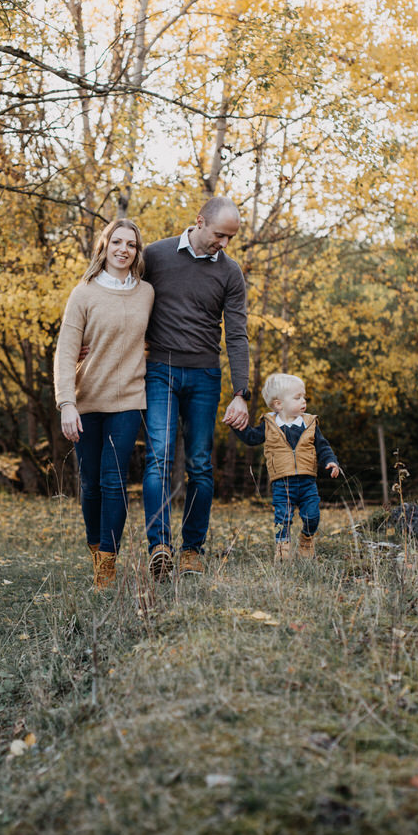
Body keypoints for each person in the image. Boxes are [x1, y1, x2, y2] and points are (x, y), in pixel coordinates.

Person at [142, 196, 250, 580]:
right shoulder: (155, 255)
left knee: (201, 466)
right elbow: (124, 296)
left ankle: (191, 550)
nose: (224, 243)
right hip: (159, 371)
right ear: (200, 221)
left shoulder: (230, 272)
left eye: (230, 237)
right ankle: (159, 546)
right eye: (220, 234)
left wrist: (242, 392)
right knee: (159, 457)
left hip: (205, 376)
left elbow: (237, 333)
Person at [54, 219, 154, 589]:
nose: (123, 249)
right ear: (104, 246)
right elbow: (65, 351)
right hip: (86, 401)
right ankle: (95, 547)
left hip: (129, 400)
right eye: (117, 242)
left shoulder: (146, 293)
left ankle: (107, 564)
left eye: (131, 244)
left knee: (115, 481)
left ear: (137, 252)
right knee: (90, 484)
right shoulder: (84, 293)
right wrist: (66, 402)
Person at [231, 371, 340, 561]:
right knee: (282, 518)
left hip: (307, 482)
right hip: (282, 483)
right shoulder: (269, 424)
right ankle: (282, 549)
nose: (303, 401)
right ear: (278, 404)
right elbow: (251, 438)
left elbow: (323, 447)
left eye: (303, 396)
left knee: (312, 516)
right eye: (297, 397)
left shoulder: (310, 423)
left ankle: (307, 538)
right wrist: (236, 424)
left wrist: (331, 461)